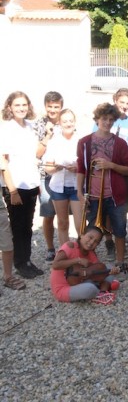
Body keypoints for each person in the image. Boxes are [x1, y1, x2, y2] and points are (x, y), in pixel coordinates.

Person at [77, 103, 128, 273]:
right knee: (93, 231)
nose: (108, 122)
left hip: (116, 195)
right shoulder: (85, 142)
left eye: (111, 120)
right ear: (97, 119)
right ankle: (90, 263)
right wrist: (80, 193)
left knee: (120, 230)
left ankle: (120, 262)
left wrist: (111, 165)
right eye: (104, 119)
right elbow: (81, 168)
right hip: (93, 196)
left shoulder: (120, 143)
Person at [1, 92, 42, 278]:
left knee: (28, 225)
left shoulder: (30, 127)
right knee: (18, 226)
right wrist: (12, 190)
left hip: (31, 182)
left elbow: (35, 154)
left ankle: (27, 260)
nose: (21, 108)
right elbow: (3, 162)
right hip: (16, 185)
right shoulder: (6, 129)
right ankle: (19, 263)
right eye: (17, 105)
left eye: (24, 104)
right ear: (10, 107)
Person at [50, 225, 120, 304]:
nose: (91, 242)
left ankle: (103, 292)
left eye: (96, 242)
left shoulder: (91, 254)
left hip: (80, 282)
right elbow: (55, 265)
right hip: (63, 289)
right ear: (81, 235)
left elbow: (99, 270)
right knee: (90, 289)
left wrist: (110, 272)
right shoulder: (70, 246)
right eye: (90, 237)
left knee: (108, 267)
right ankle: (103, 289)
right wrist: (77, 260)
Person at [43, 109, 82, 244]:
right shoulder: (54, 141)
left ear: (75, 122)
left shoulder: (81, 141)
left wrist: (78, 168)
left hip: (77, 187)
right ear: (59, 123)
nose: (68, 123)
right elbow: (47, 167)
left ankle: (85, 253)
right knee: (62, 222)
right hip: (58, 187)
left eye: (71, 120)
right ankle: (64, 254)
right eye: (65, 121)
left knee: (79, 225)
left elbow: (88, 166)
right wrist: (54, 168)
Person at [33, 91, 63, 262]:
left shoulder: (66, 121)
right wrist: (48, 135)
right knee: (48, 212)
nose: (53, 110)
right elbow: (37, 153)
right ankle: (51, 248)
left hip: (64, 174)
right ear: (45, 106)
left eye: (56, 106)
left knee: (64, 215)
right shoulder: (38, 124)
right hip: (46, 175)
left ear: (61, 107)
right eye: (50, 106)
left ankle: (65, 246)